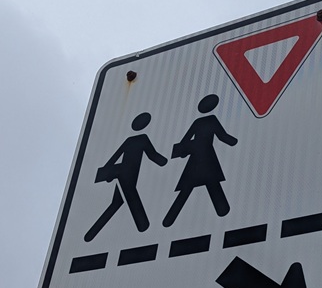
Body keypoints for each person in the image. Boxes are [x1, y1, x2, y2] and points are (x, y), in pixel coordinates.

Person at [84, 112, 167, 241]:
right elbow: (151, 155)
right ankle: (143, 225)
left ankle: (91, 234)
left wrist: (164, 161)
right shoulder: (141, 139)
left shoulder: (133, 140)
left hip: (124, 171)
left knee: (117, 202)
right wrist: (163, 161)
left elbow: (116, 157)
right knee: (130, 196)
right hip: (127, 172)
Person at [163, 94, 238, 227]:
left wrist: (183, 152)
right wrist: (234, 141)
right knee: (210, 181)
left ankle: (170, 218)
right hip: (207, 155)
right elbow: (222, 136)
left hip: (196, 157)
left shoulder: (198, 122)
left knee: (190, 186)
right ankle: (222, 209)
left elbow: (185, 140)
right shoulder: (211, 120)